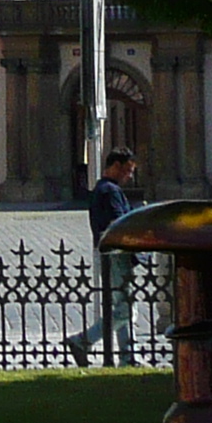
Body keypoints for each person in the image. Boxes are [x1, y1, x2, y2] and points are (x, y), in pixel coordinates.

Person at [67, 149, 139, 366]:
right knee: (125, 308)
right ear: (115, 166)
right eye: (127, 171)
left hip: (109, 254)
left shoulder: (103, 189)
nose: (130, 176)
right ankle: (84, 340)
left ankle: (127, 357)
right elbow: (119, 224)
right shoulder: (110, 191)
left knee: (120, 304)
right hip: (116, 254)